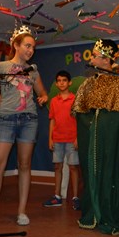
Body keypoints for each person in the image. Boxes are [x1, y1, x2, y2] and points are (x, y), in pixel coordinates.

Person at [0, 26, 48, 227]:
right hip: (6, 119)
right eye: (27, 46)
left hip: (29, 120)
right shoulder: (2, 66)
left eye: (33, 47)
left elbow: (42, 92)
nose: (31, 50)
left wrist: (43, 97)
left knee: (24, 165)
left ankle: (22, 212)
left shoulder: (33, 70)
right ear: (16, 45)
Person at [72, 39, 119, 234]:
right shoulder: (88, 83)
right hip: (92, 141)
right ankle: (94, 211)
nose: (91, 59)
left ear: (106, 59)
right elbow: (81, 112)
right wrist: (92, 123)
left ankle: (110, 212)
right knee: (92, 171)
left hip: (111, 141)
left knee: (111, 172)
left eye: (94, 55)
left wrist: (105, 124)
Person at [43, 70, 81, 211]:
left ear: (69, 82)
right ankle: (57, 196)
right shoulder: (54, 101)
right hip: (57, 139)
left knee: (73, 167)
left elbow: (79, 120)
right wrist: (50, 139)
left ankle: (75, 197)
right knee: (57, 167)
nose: (61, 83)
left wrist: (77, 138)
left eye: (64, 80)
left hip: (71, 139)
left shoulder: (75, 99)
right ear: (56, 83)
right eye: (59, 81)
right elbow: (52, 120)